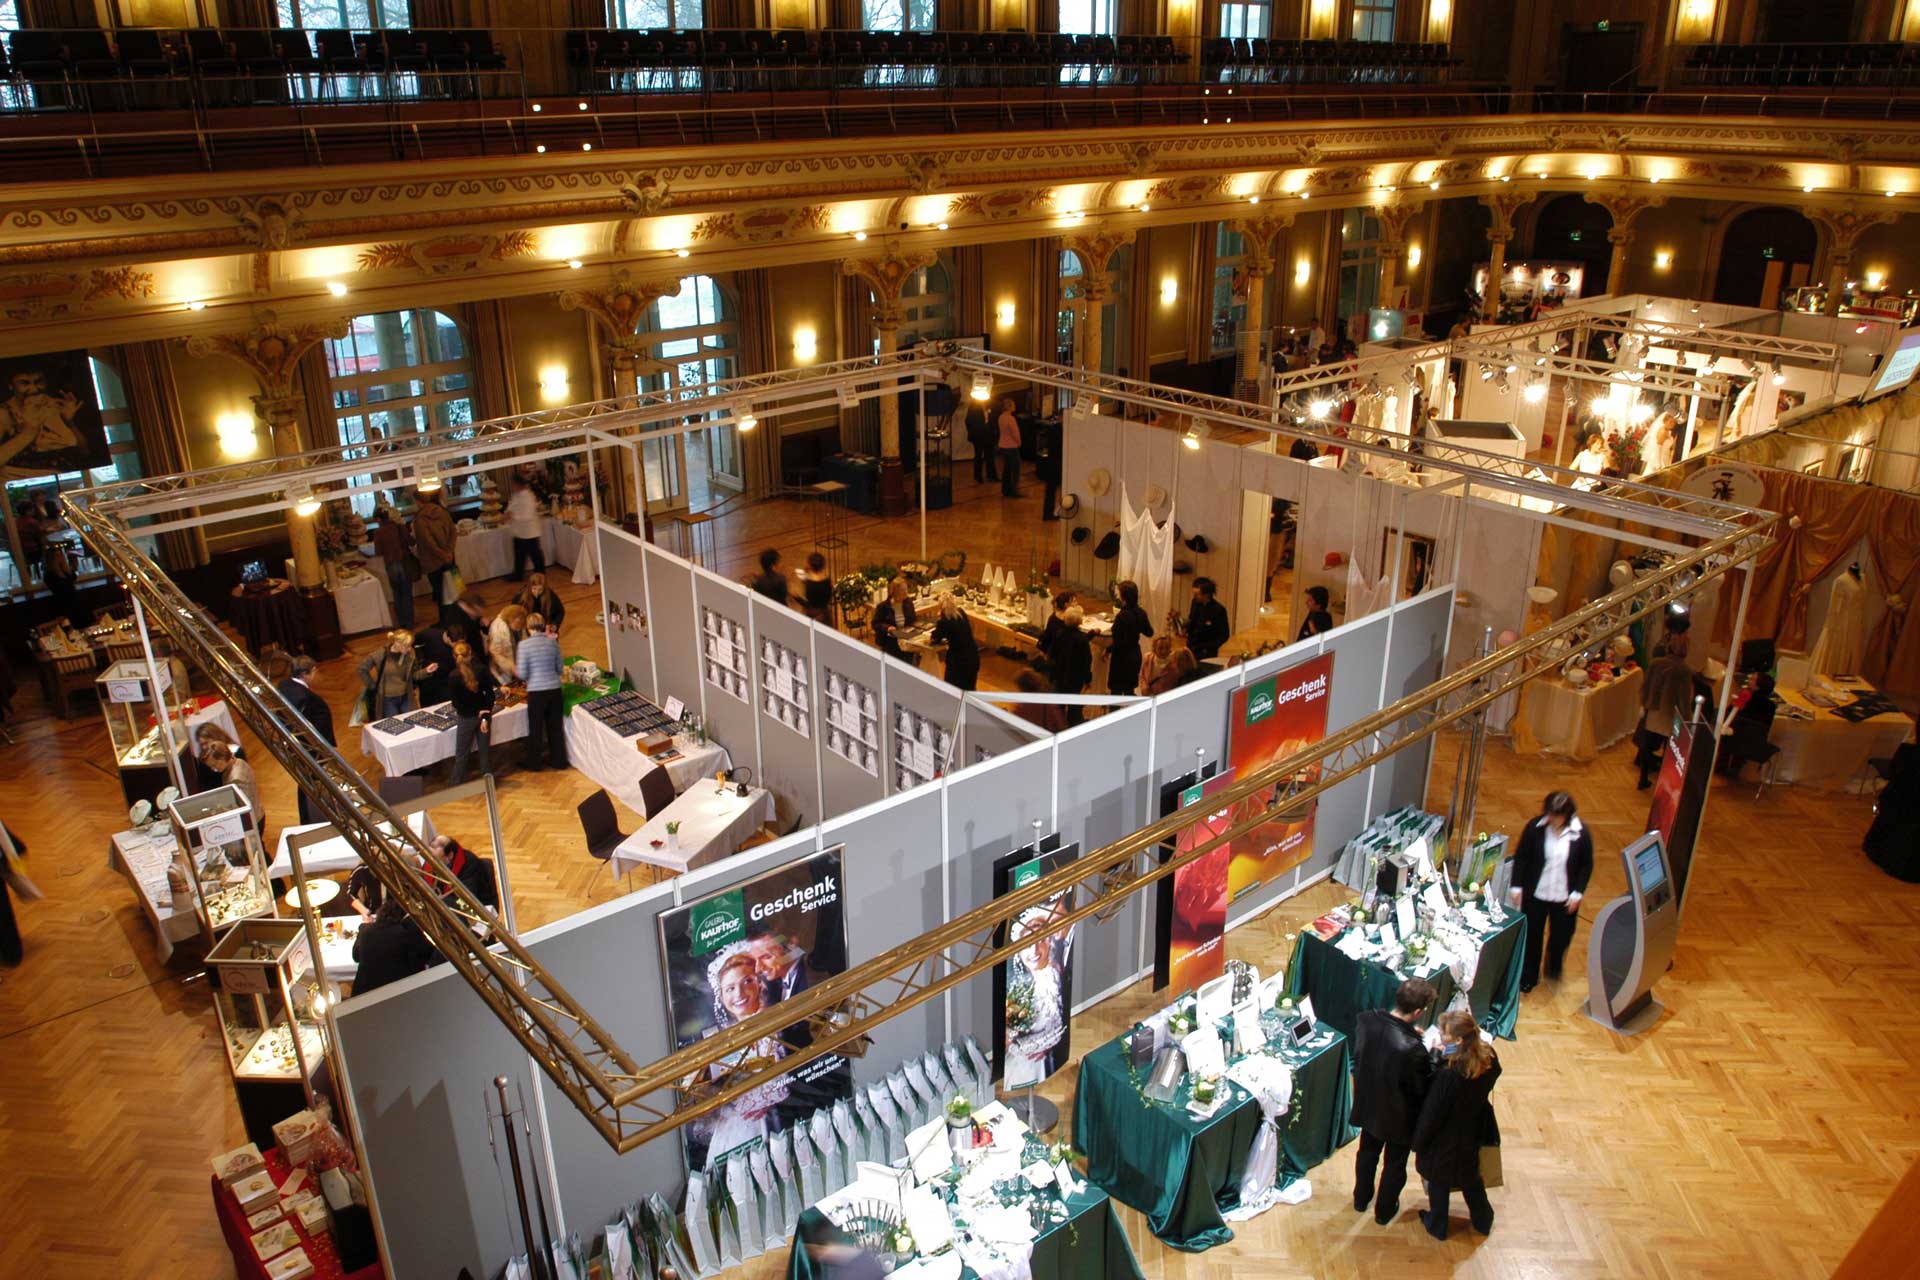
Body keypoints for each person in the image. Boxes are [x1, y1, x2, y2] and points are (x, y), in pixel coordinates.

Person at [1350, 977, 1437, 1225]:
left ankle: (1360, 1198)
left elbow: (1377, 1045)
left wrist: (1410, 1033)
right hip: (1398, 1117)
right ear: (1419, 1012)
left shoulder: (1366, 1020)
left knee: (1366, 1153)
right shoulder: (1413, 1049)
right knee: (1394, 1165)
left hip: (1368, 1104)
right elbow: (1421, 1087)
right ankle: (1384, 1211)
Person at [1412, 1010, 1502, 1240]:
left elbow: (1432, 1113)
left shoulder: (1449, 1077)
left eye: (1445, 1034)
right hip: (1472, 1127)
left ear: (1459, 1040)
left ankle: (1437, 1225)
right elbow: (1489, 1069)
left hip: (1446, 1136)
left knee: (1439, 1180)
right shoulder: (1487, 1056)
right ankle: (1483, 1219)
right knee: (1470, 1176)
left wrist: (1418, 1142)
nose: (1441, 1036)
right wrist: (1446, 1053)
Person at [1508, 791, 1594, 992]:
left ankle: (1554, 968)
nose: (1551, 818)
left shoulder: (1581, 834)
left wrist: (1578, 893)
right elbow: (1521, 858)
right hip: (1536, 895)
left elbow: (1586, 865)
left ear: (1567, 815)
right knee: (1532, 937)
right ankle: (1529, 976)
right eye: (1549, 813)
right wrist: (1516, 885)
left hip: (1564, 898)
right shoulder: (1534, 828)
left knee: (1561, 936)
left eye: (1556, 815)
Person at [1004, 899, 1071, 1087]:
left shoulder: (1058, 974)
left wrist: (1048, 1044)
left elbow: (1060, 1022)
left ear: (1049, 941)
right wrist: (1030, 1046)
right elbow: (1009, 1041)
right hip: (1021, 1067)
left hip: (1049, 1060)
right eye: (1026, 943)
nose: (1033, 950)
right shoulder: (1014, 990)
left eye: (1040, 940)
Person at [277, 655, 335, 825]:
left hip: (293, 747)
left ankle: (308, 817)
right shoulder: (307, 698)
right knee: (312, 786)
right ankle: (315, 817)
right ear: (305, 674)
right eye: (314, 672)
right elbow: (319, 726)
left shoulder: (284, 685)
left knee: (304, 784)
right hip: (310, 750)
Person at [1635, 641, 1695, 789]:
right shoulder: (1684, 670)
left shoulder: (1656, 664)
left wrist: (1645, 704)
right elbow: (1685, 698)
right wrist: (1687, 718)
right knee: (1669, 749)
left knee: (1647, 746)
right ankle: (1664, 780)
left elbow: (1646, 686)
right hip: (1671, 714)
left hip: (1654, 710)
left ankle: (1643, 778)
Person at [350, 899, 437, 997]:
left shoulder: (366, 931)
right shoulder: (408, 935)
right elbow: (427, 955)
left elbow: (356, 956)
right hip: (400, 993)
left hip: (364, 994)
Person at [517, 612, 567, 772]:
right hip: (554, 690)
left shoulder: (523, 646)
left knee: (536, 728)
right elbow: (560, 668)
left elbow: (523, 674)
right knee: (555, 728)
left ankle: (534, 763)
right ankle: (559, 760)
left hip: (536, 692)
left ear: (528, 627)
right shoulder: (552, 643)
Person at [446, 640, 498, 785]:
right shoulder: (481, 670)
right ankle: (488, 783)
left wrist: (474, 712)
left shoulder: (453, 677)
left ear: (455, 656)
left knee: (462, 754)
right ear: (470, 654)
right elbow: (490, 695)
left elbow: (457, 704)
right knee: (484, 752)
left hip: (466, 718)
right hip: (484, 717)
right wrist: (484, 716)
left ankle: (456, 784)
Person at [358, 629, 436, 720]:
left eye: (410, 645)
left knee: (413, 721)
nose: (410, 648)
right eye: (407, 646)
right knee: (393, 724)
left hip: (406, 696)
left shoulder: (410, 654)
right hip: (388, 699)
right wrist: (373, 686)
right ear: (397, 644)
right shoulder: (379, 655)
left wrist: (426, 671)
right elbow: (362, 669)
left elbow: (413, 675)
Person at [370, 500, 418, 630]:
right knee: (407, 593)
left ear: (379, 519)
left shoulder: (378, 532)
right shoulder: (399, 527)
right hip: (403, 561)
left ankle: (401, 622)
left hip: (391, 565)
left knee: (397, 594)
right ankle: (410, 622)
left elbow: (378, 551)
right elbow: (411, 542)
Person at [1718, 671, 1777, 776]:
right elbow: (1767, 728)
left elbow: (1727, 715)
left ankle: (1722, 765)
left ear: (1757, 687)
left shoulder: (1743, 698)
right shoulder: (1771, 707)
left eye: (1752, 680)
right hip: (1753, 744)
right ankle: (1736, 766)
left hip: (1730, 740)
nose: (1749, 680)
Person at [411, 488, 457, 619]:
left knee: (441, 594)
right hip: (449, 559)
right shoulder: (442, 512)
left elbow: (427, 542)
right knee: (453, 591)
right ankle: (456, 617)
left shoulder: (420, 519)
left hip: (433, 563)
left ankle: (445, 621)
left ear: (419, 501)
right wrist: (449, 552)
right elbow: (453, 533)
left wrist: (442, 554)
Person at [202, 740, 265, 833]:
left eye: (215, 765)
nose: (214, 769)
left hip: (253, 821)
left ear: (222, 757)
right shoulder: (238, 761)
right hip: (257, 813)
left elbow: (242, 807)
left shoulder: (236, 779)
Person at [1048, 604, 1093, 726]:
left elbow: (1052, 653)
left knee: (1058, 707)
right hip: (1074, 679)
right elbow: (1086, 661)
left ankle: (1058, 728)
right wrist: (1088, 679)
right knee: (1074, 709)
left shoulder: (1059, 634)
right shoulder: (1082, 640)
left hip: (1059, 676)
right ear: (1079, 621)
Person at [425, 833, 498, 909]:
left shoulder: (469, 863)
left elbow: (467, 900)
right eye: (432, 843)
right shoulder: (430, 862)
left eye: (440, 845)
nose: (433, 845)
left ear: (450, 855)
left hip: (474, 909)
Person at [1107, 580, 1153, 695]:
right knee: (1129, 690)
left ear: (1124, 597)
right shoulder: (1141, 613)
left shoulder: (1122, 616)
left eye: (1119, 593)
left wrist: (1107, 650)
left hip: (1121, 658)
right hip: (1134, 655)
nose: (1117, 595)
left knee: (1116, 693)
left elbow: (1118, 642)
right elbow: (1149, 632)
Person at [931, 593, 979, 691]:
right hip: (973, 656)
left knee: (952, 689)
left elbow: (935, 638)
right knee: (970, 688)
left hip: (958, 662)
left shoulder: (944, 622)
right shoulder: (961, 613)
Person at [506, 472, 545, 581]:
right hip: (519, 532)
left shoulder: (528, 496)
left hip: (530, 532)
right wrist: (508, 512)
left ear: (518, 484)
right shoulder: (516, 495)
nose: (512, 486)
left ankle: (541, 575)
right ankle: (518, 575)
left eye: (513, 484)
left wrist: (513, 516)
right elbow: (512, 506)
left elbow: (527, 516)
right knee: (519, 555)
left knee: (535, 555)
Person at [412, 617, 458, 707]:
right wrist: (421, 659)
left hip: (446, 680)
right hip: (428, 678)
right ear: (448, 638)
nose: (456, 646)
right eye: (454, 643)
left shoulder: (457, 641)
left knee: (447, 704)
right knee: (428, 704)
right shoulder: (429, 634)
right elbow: (413, 643)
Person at [1183, 577, 1229, 661]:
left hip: (1207, 652)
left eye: (1197, 594)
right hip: (1191, 648)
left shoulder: (1219, 610)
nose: (1194, 596)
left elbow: (1224, 635)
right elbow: (1192, 619)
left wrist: (1210, 647)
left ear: (1207, 594)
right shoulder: (1195, 603)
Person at [872, 578, 916, 664]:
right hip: (891, 645)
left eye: (906, 589)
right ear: (895, 592)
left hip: (906, 643)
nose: (906, 592)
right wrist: (887, 627)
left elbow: (913, 620)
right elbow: (875, 623)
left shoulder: (908, 603)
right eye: (902, 590)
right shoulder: (883, 606)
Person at [488, 603, 527, 684]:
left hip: (516, 664)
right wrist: (511, 667)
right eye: (518, 625)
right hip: (503, 669)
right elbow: (496, 654)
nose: (519, 628)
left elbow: (523, 639)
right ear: (513, 619)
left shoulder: (518, 625)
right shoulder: (498, 630)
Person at [965, 397, 997, 483]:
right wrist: (974, 432)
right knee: (978, 456)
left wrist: (992, 430)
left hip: (988, 435)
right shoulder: (973, 408)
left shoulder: (989, 406)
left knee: (990, 456)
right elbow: (968, 421)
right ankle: (978, 476)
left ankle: (991, 476)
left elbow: (992, 419)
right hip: (978, 436)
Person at [1036, 416, 1062, 520]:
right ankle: (1049, 513)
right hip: (1056, 464)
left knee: (1050, 490)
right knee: (1051, 489)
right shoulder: (1060, 431)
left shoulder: (1052, 429)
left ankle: (1048, 513)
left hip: (1052, 463)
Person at [995, 396, 1022, 497]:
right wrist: (1019, 442)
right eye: (1013, 405)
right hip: (1011, 447)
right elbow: (1015, 433)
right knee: (1015, 470)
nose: (1015, 406)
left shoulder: (1001, 417)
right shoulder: (1011, 419)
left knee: (1006, 470)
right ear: (1009, 407)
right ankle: (1013, 491)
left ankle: (1005, 490)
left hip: (1003, 445)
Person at [798, 552, 833, 623]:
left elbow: (809, 603)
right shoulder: (827, 581)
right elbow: (829, 598)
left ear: (811, 566)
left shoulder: (809, 583)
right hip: (825, 615)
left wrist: (797, 598)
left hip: (813, 615)